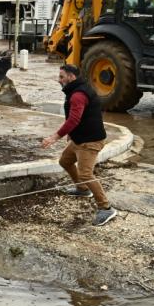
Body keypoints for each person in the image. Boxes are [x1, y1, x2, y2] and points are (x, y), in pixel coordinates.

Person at [40, 64, 117, 227]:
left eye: (62, 77)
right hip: (79, 139)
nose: (59, 80)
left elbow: (74, 119)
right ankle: (83, 190)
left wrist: (54, 137)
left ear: (71, 77)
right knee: (65, 162)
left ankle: (106, 208)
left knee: (86, 174)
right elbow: (79, 118)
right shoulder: (76, 89)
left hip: (90, 141)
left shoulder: (78, 95)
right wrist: (71, 134)